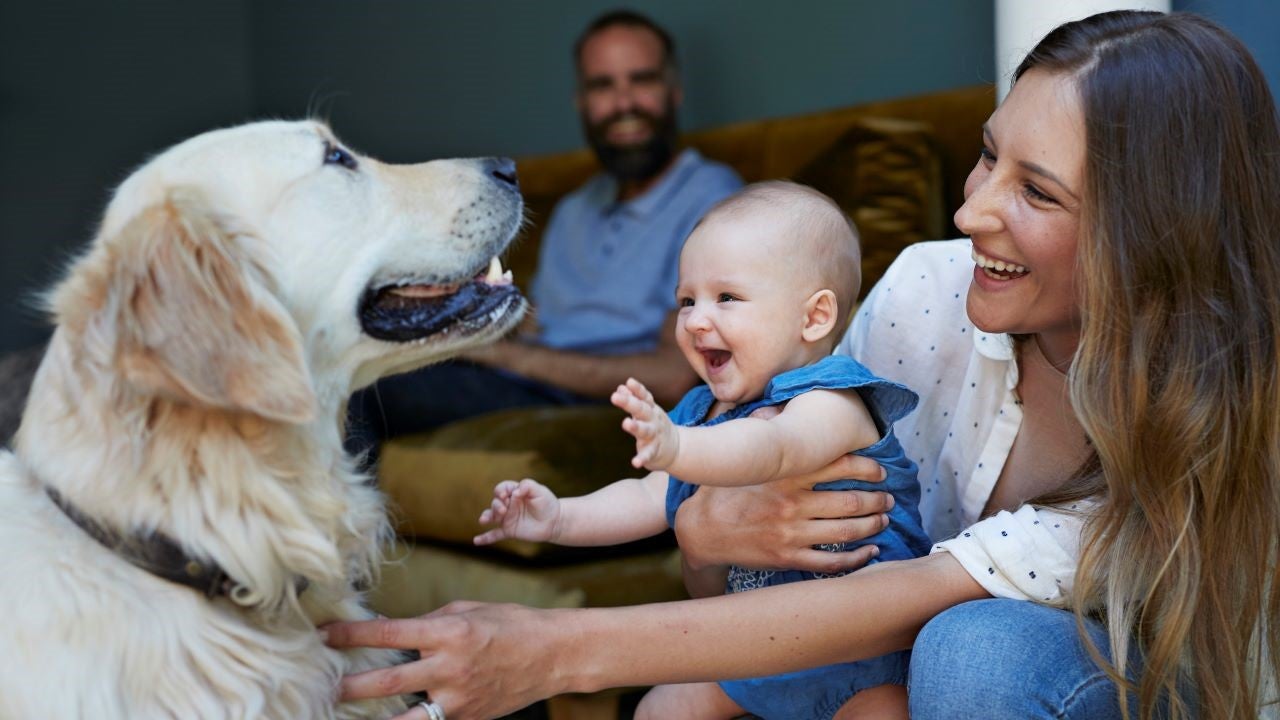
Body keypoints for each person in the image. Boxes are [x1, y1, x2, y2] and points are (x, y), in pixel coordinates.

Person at [326, 11, 1280, 720]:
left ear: (1147, 237)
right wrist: (708, 534)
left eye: (1035, 191)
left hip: (1142, 687)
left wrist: (555, 651)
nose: (971, 211)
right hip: (884, 648)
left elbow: (901, 605)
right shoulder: (923, 294)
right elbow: (767, 567)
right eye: (987, 159)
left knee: (975, 650)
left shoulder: (1205, 410)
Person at [474, 182, 931, 720]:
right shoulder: (702, 412)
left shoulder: (832, 399)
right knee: (658, 710)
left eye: (726, 298)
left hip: (863, 655)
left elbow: (773, 447)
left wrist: (679, 446)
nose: (694, 320)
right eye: (686, 300)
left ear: (814, 318)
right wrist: (558, 519)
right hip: (756, 650)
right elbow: (648, 499)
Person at [345, 10, 742, 460]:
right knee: (351, 366)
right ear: (582, 102)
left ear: (674, 92)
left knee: (362, 393)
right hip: (518, 380)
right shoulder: (574, 209)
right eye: (602, 86)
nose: (623, 102)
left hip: (589, 401)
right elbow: (540, 322)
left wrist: (498, 356)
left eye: (642, 80)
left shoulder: (714, 198)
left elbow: (675, 374)